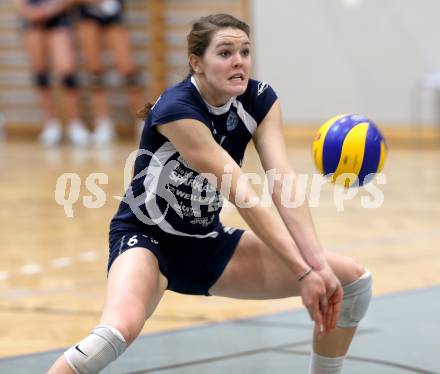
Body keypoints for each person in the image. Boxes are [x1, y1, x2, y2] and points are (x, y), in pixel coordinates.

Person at [48, 14, 372, 374]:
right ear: (196, 63)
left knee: (352, 282)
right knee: (115, 332)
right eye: (225, 52)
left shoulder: (260, 101)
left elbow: (283, 183)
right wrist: (302, 271)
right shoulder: (176, 109)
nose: (239, 61)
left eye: (245, 52)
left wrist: (316, 267)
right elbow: (242, 192)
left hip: (207, 245)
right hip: (147, 241)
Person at [14, 0, 90, 147]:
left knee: (66, 72)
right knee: (41, 74)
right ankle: (51, 125)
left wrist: (51, 8)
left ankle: (75, 124)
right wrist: (27, 11)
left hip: (57, 16)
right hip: (32, 18)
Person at [74, 0, 145, 146]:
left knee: (128, 69)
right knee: (95, 70)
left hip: (113, 16)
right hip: (88, 16)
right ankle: (103, 123)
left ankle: (142, 123)